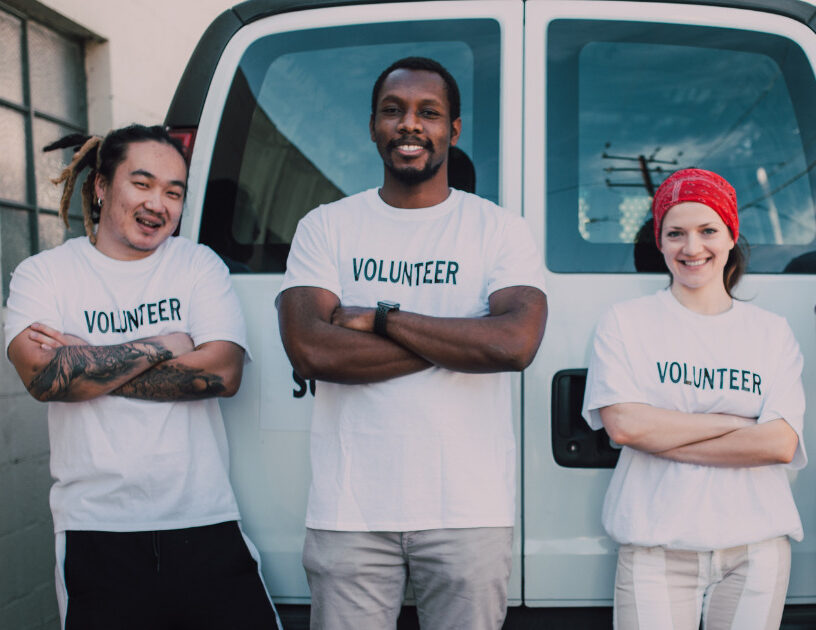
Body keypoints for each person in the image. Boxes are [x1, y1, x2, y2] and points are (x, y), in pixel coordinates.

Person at [276, 57, 547, 630]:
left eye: (430, 112)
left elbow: (514, 345)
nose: (410, 125)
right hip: (350, 511)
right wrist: (460, 336)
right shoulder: (326, 226)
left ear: (453, 129)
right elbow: (310, 350)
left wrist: (378, 318)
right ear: (373, 124)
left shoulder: (498, 229)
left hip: (468, 512)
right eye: (393, 111)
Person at [4, 124, 279, 629]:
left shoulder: (197, 265)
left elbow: (222, 372)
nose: (159, 204)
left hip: (206, 524)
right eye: (143, 183)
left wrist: (89, 367)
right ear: (102, 186)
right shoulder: (45, 275)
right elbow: (45, 378)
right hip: (96, 531)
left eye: (174, 192)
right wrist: (163, 345)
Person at [582, 168, 807, 629]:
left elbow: (779, 444)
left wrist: (660, 431)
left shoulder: (770, 332)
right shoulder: (625, 322)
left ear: (730, 236)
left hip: (755, 548)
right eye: (676, 233)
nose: (692, 248)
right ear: (660, 242)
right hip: (655, 547)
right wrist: (738, 424)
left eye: (708, 231)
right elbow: (624, 426)